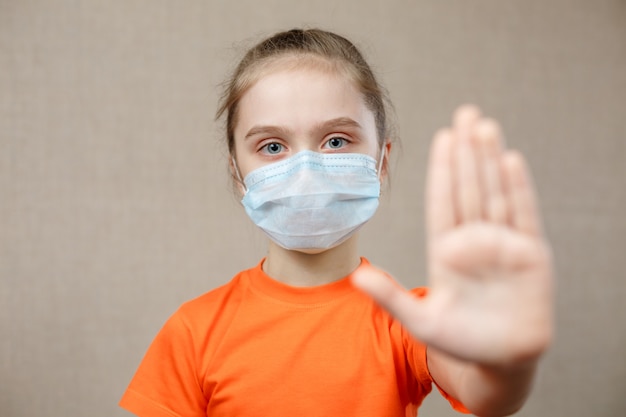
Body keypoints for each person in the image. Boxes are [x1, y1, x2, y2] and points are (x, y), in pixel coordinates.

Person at [119, 28, 553, 417]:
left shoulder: (409, 320)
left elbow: (486, 393)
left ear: (381, 162)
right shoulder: (195, 330)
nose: (305, 168)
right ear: (237, 173)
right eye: (272, 146)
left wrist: (505, 363)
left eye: (336, 140)